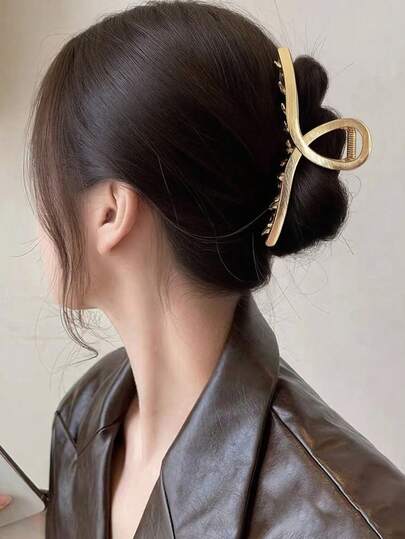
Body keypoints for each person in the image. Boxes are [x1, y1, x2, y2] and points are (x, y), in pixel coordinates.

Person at [7, 1, 404, 537]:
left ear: (110, 212)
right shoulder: (82, 420)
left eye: (45, 179)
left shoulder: (350, 523)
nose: (38, 212)